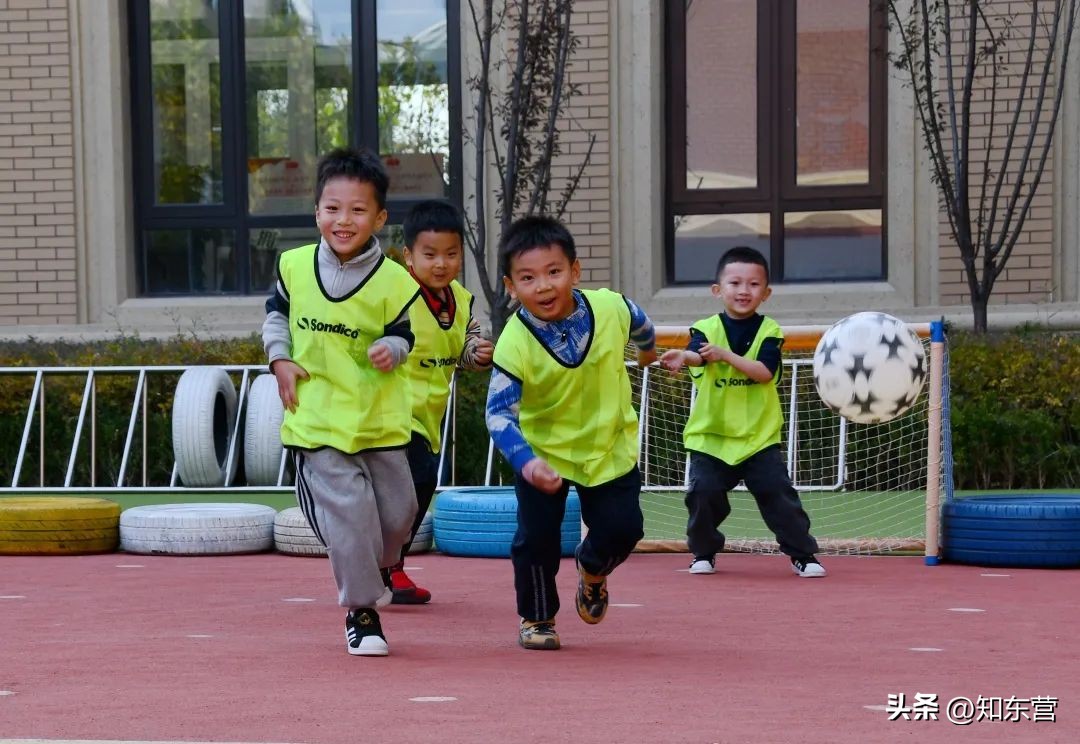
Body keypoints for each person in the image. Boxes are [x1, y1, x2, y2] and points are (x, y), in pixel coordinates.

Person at [262, 147, 420, 656]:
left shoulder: (396, 281)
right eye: (332, 208)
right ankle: (362, 613)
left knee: (400, 515)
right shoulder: (294, 267)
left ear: (379, 218)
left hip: (378, 419)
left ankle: (375, 567)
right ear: (316, 212)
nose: (343, 220)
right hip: (318, 418)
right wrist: (279, 360)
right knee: (351, 514)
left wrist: (391, 349)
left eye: (357, 210)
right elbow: (276, 319)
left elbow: (406, 336)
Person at [486, 215, 658, 651]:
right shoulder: (515, 342)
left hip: (609, 447)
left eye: (554, 272)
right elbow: (498, 414)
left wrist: (649, 351)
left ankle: (593, 569)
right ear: (511, 286)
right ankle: (538, 618)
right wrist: (527, 462)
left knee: (625, 529)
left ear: (575, 271)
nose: (543, 286)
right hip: (545, 455)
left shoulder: (609, 306)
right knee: (535, 542)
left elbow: (640, 322)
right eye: (528, 278)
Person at [659, 246, 826, 578]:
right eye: (735, 283)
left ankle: (804, 556)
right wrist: (684, 356)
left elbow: (764, 372)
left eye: (753, 284)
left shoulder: (770, 331)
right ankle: (703, 553)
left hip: (757, 439)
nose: (743, 291)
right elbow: (699, 355)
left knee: (779, 498)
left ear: (766, 293)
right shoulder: (705, 328)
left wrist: (725, 355)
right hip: (711, 438)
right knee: (703, 496)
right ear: (717, 290)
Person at [389, 199, 494, 604]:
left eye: (451, 254)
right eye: (429, 254)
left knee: (423, 487)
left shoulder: (463, 301)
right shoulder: (392, 294)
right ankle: (383, 568)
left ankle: (390, 567)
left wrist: (478, 354)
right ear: (408, 256)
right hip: (391, 417)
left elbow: (466, 347)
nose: (441, 264)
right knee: (408, 487)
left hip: (430, 420)